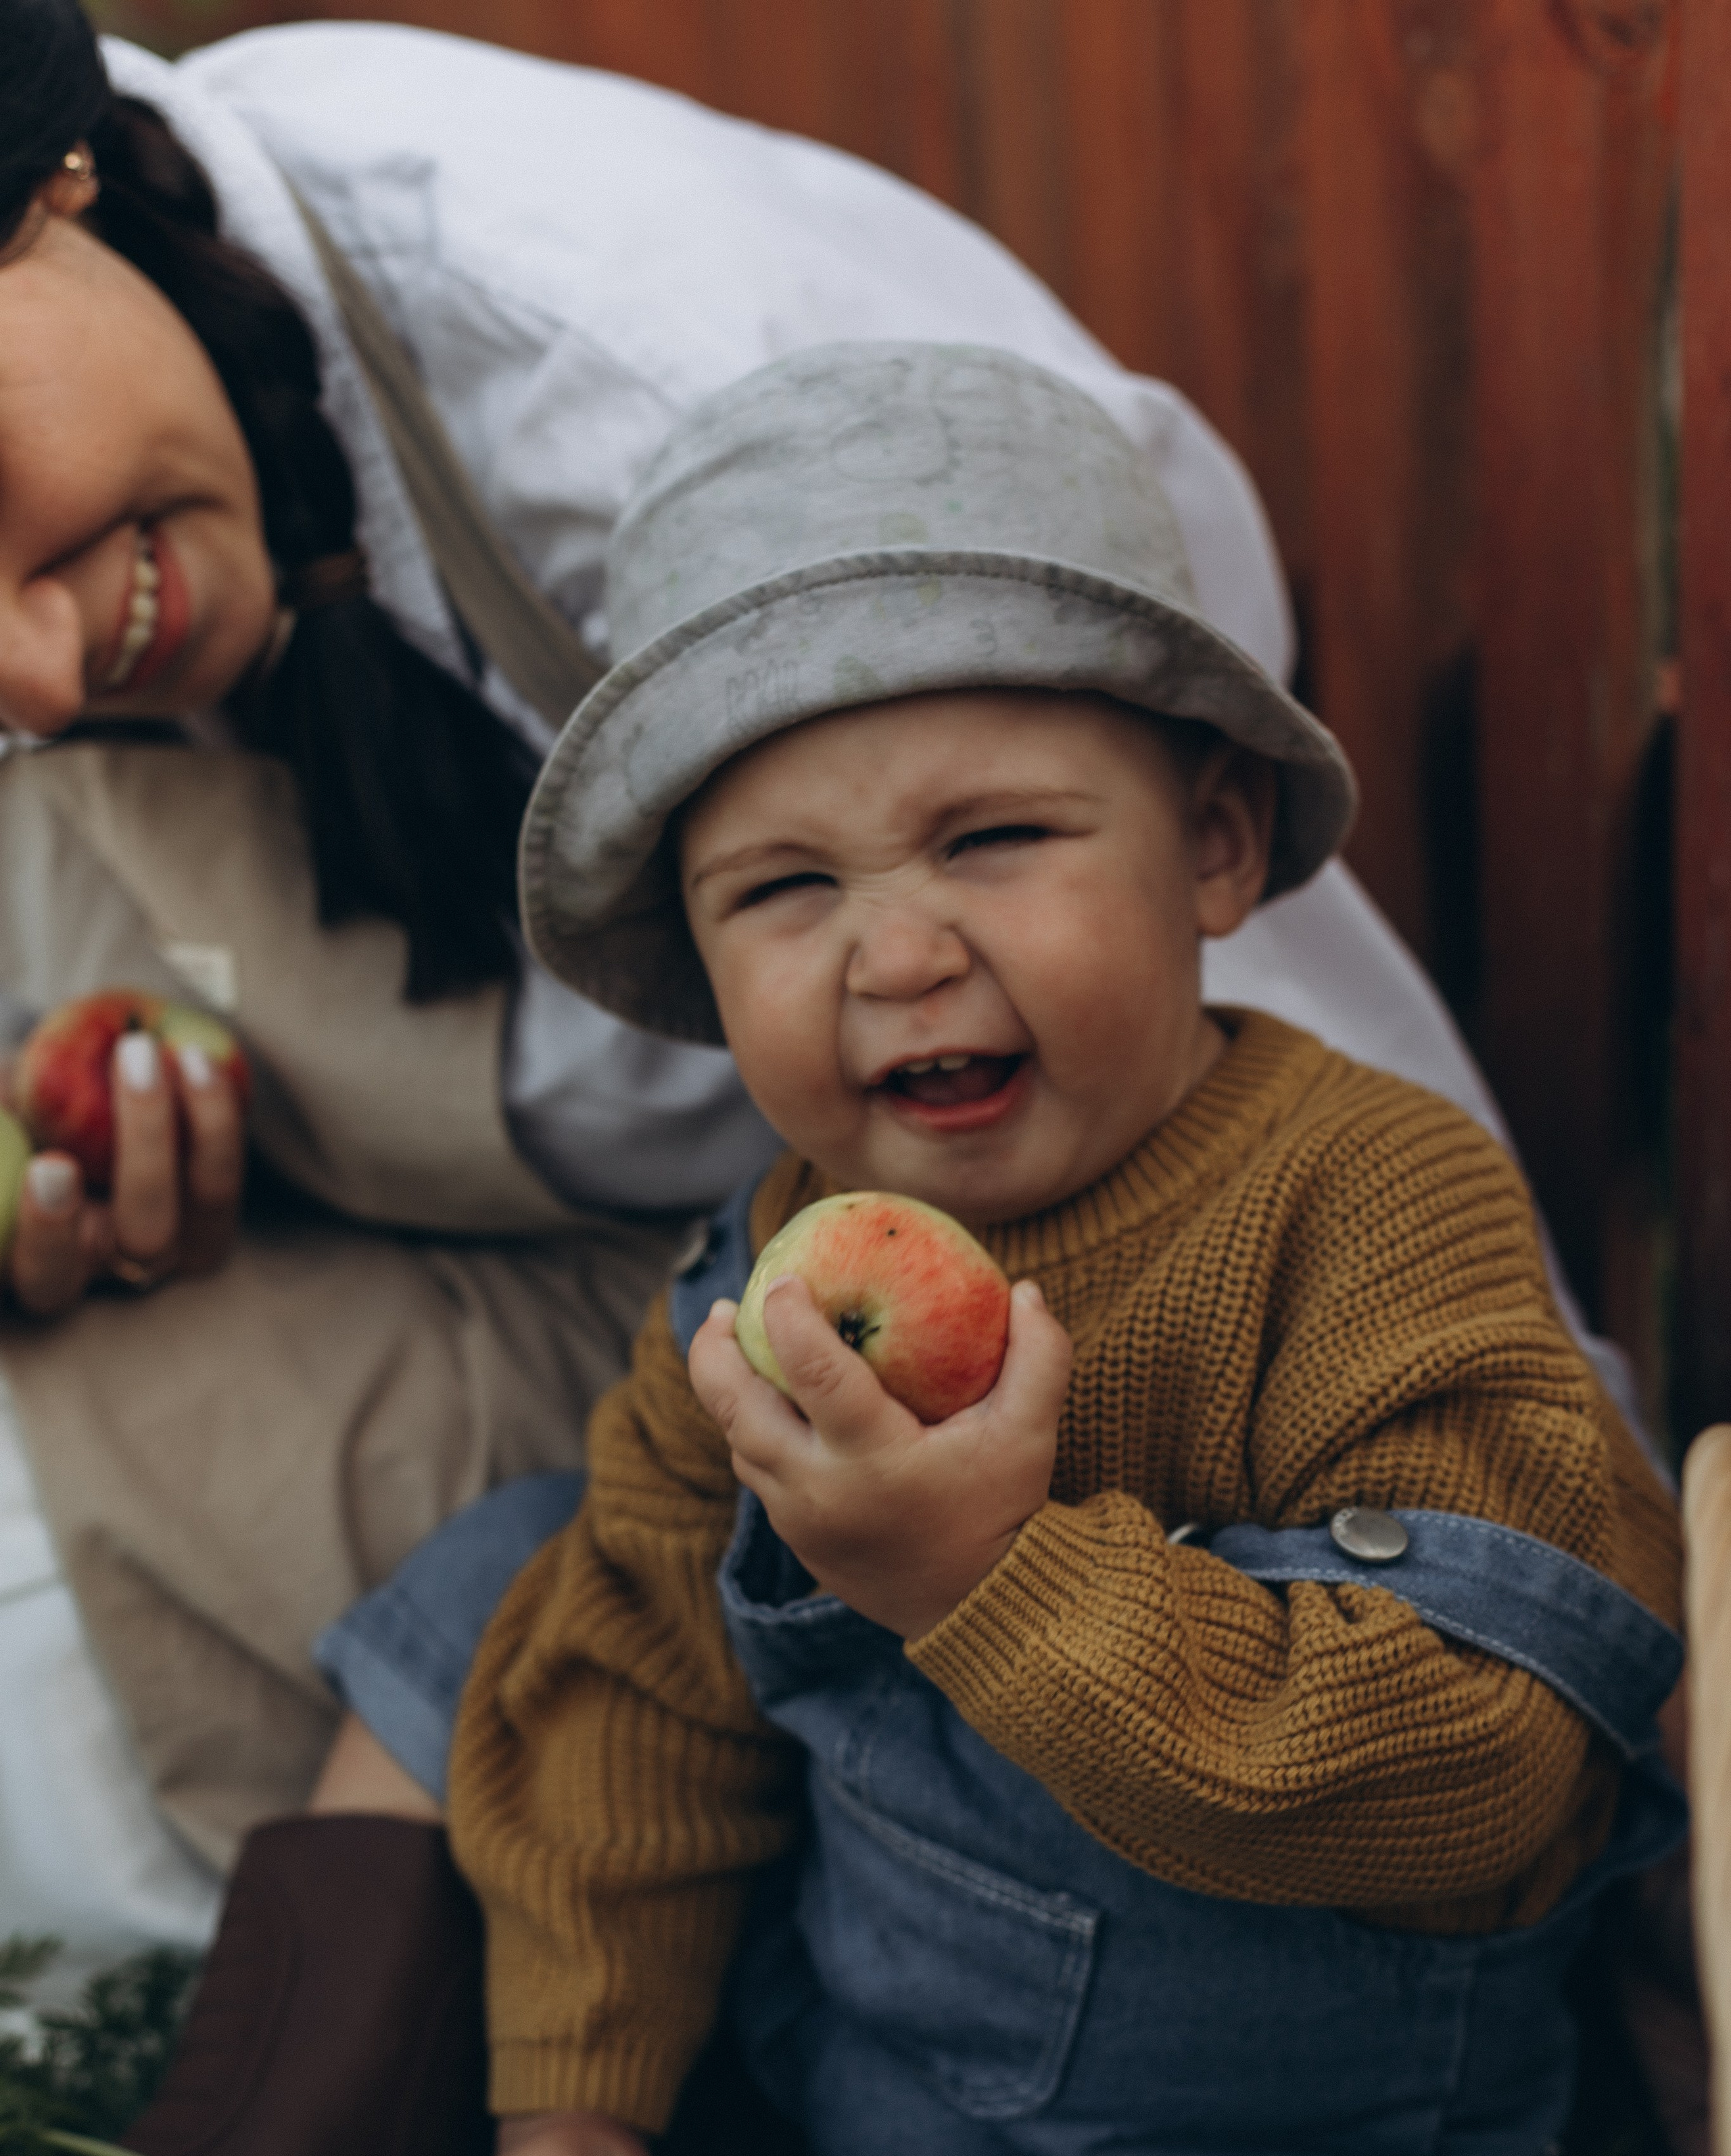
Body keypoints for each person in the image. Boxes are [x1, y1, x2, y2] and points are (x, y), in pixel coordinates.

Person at [100, 341, 1682, 2156]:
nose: (900, 950)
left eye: (998, 838)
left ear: (1216, 843)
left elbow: (1483, 1772)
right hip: (854, 1982)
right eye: (783, 889)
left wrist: (991, 1578)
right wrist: (579, 2090)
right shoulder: (779, 1260)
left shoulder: (1367, 1212)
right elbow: (646, 1685)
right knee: (541, 1570)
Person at [2, 0, 1626, 2011]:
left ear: (43, 178)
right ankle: (374, 2054)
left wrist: (1626, 1804)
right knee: (498, 1563)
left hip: (1084, 1489)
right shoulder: (731, 1276)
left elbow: (1271, 1095)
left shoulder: (659, 370)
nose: (47, 679)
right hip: (671, 1273)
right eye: (780, 885)